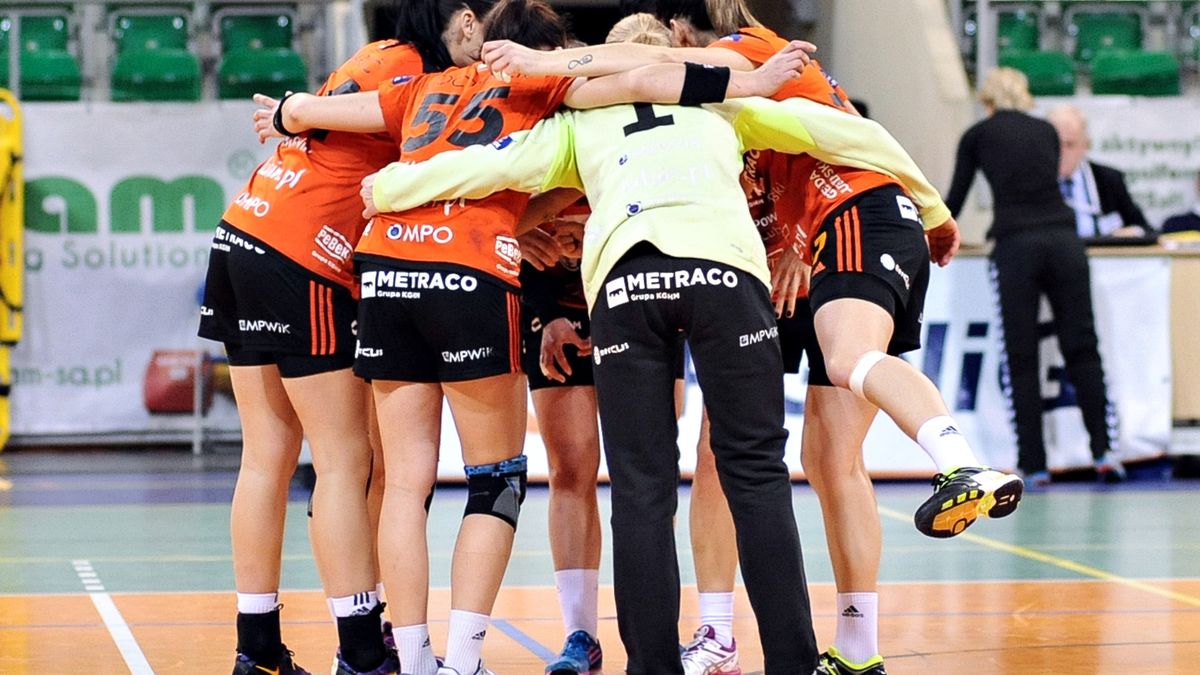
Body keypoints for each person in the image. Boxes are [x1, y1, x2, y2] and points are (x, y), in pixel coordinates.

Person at [358, 55, 989, 674]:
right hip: (724, 277)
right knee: (757, 477)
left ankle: (653, 665)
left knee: (640, 488)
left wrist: (389, 187)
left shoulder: (577, 124)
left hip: (627, 284)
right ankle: (792, 662)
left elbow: (483, 164)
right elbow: (847, 132)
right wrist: (933, 209)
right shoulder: (723, 104)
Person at [199, 2, 510, 672]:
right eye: (486, 27)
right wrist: (297, 110)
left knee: (266, 454)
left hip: (242, 231)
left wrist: (294, 112)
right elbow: (379, 122)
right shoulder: (416, 72)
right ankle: (364, 651)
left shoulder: (377, 54)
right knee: (345, 461)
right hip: (304, 251)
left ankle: (257, 648)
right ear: (462, 20)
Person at [945, 68, 1124, 486]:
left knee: (1021, 356)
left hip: (1016, 246)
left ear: (987, 100)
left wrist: (931, 237)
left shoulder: (977, 136)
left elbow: (954, 200)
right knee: (1083, 347)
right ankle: (1103, 451)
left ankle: (1035, 462)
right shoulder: (1046, 130)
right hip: (1064, 240)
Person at [1047, 104, 1152, 239]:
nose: (1062, 152)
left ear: (1085, 145)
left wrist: (1132, 233)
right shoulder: (1031, 181)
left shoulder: (1108, 179)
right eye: (1056, 143)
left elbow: (1144, 229)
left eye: (1070, 144)